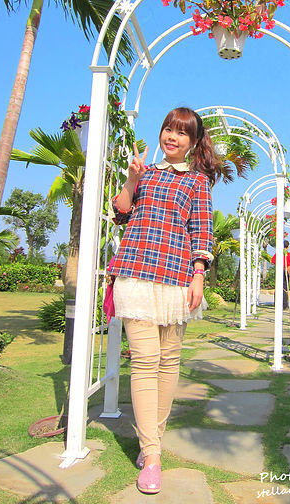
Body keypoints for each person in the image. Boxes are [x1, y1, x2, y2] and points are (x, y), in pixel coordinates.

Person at [110, 107, 221, 494]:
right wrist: (131, 178)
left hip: (176, 280)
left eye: (181, 132)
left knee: (168, 361)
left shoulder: (197, 181)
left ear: (193, 142)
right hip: (136, 273)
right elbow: (120, 211)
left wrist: (198, 274)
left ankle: (151, 442)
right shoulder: (144, 172)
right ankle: (153, 455)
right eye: (168, 129)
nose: (172, 137)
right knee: (144, 360)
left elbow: (201, 230)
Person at [271, 240, 290, 310]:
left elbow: (273, 261)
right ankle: (284, 305)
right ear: (288, 246)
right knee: (285, 288)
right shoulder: (289, 255)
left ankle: (277, 304)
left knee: (278, 287)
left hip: (280, 271)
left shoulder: (278, 254)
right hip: (285, 272)